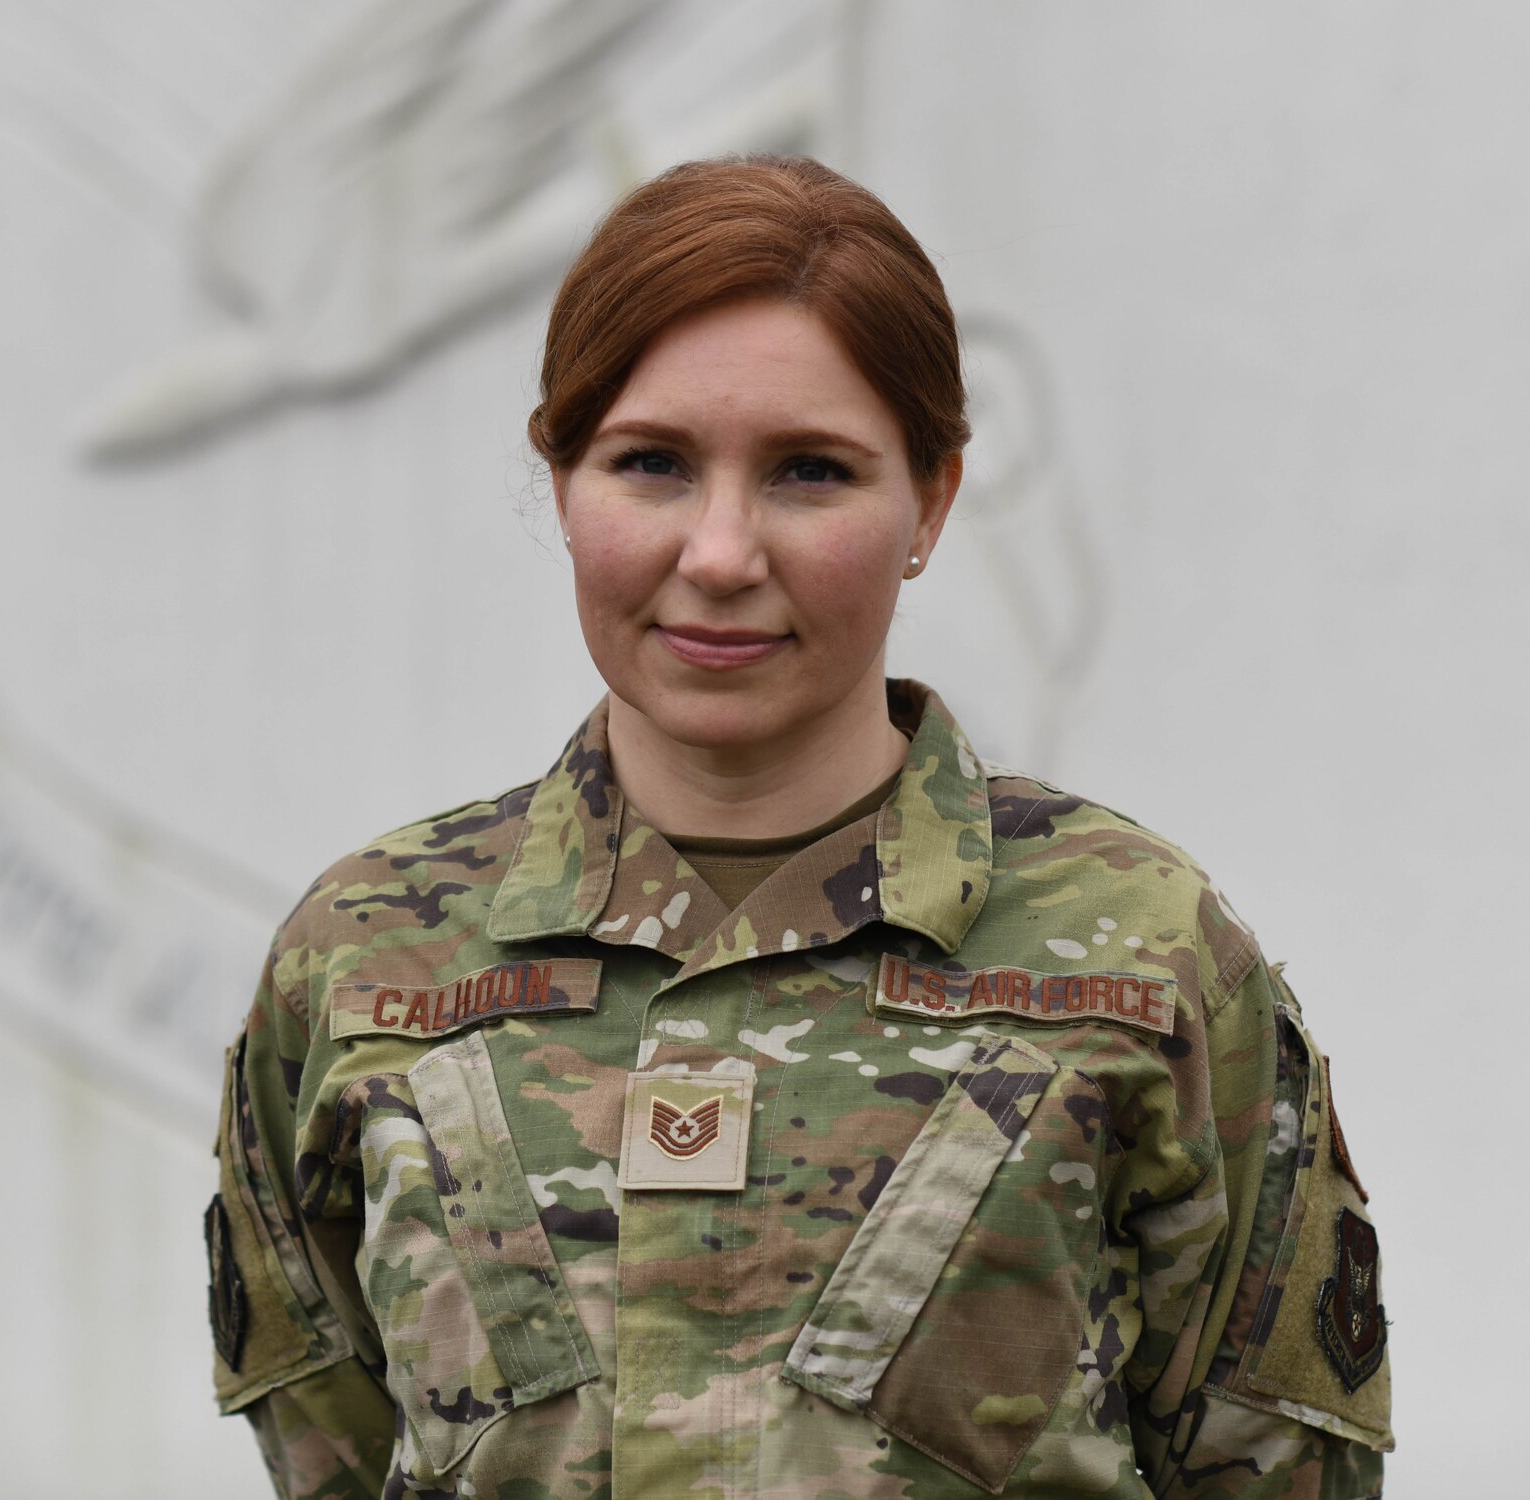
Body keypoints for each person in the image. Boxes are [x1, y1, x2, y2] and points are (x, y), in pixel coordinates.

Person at [204, 156, 1392, 1498]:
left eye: (809, 472)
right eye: (650, 463)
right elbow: (336, 1450)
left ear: (931, 502)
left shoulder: (1145, 957)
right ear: (562, 484)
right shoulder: (366, 961)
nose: (718, 552)